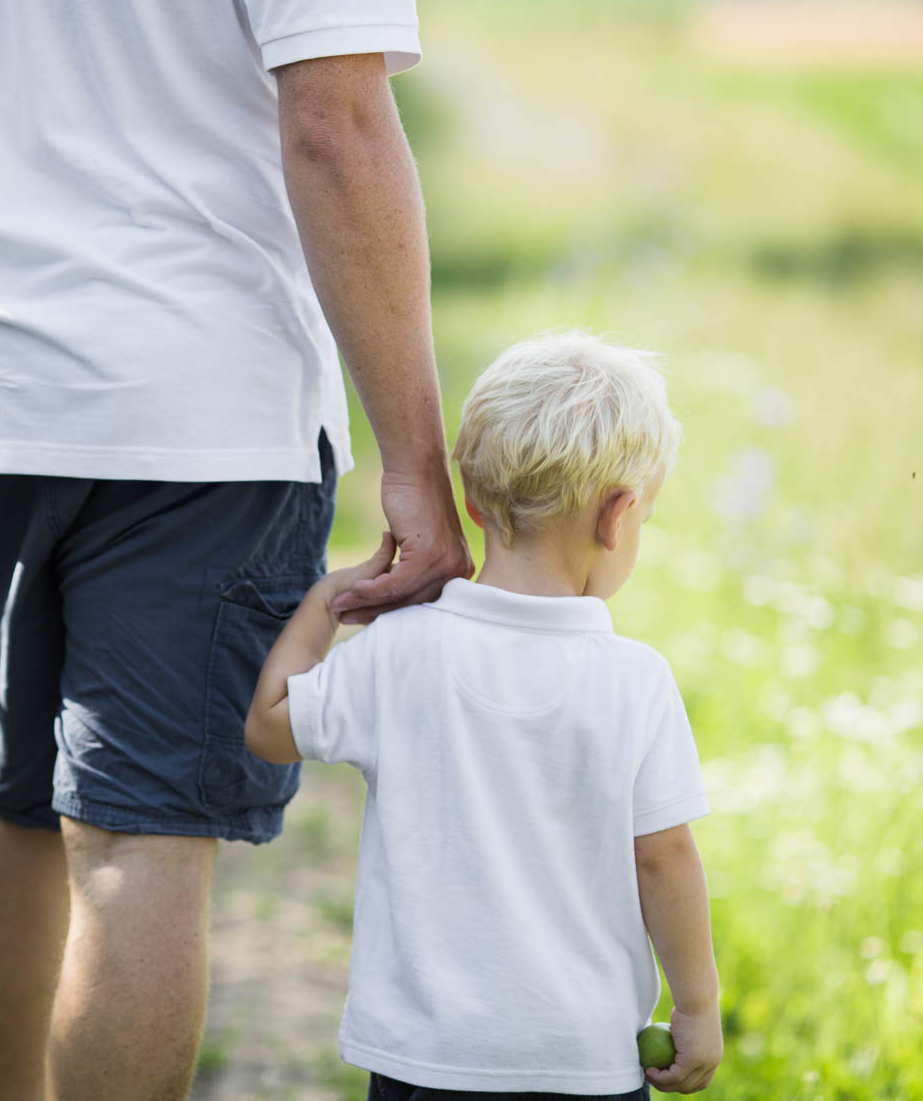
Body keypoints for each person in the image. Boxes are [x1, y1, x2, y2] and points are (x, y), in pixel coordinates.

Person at [0, 0, 473, 1097]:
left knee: (21, 811)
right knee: (140, 841)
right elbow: (335, 125)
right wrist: (415, 466)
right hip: (206, 416)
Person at [247, 331, 724, 1098]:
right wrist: (696, 1006)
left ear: (470, 500)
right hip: (584, 1061)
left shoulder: (401, 650)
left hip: (424, 1054)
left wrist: (329, 601)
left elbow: (269, 726)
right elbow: (663, 858)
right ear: (618, 516)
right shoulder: (636, 681)